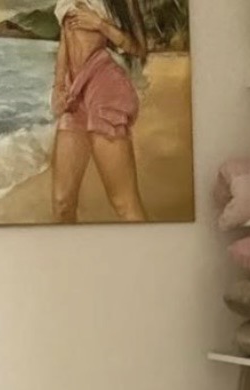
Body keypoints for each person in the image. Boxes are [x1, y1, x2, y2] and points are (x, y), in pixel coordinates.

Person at [51, 0, 149, 223]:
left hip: (106, 87)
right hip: (75, 92)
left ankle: (146, 245)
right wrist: (58, 86)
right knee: (62, 204)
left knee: (124, 203)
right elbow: (66, 40)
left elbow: (139, 48)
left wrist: (101, 25)